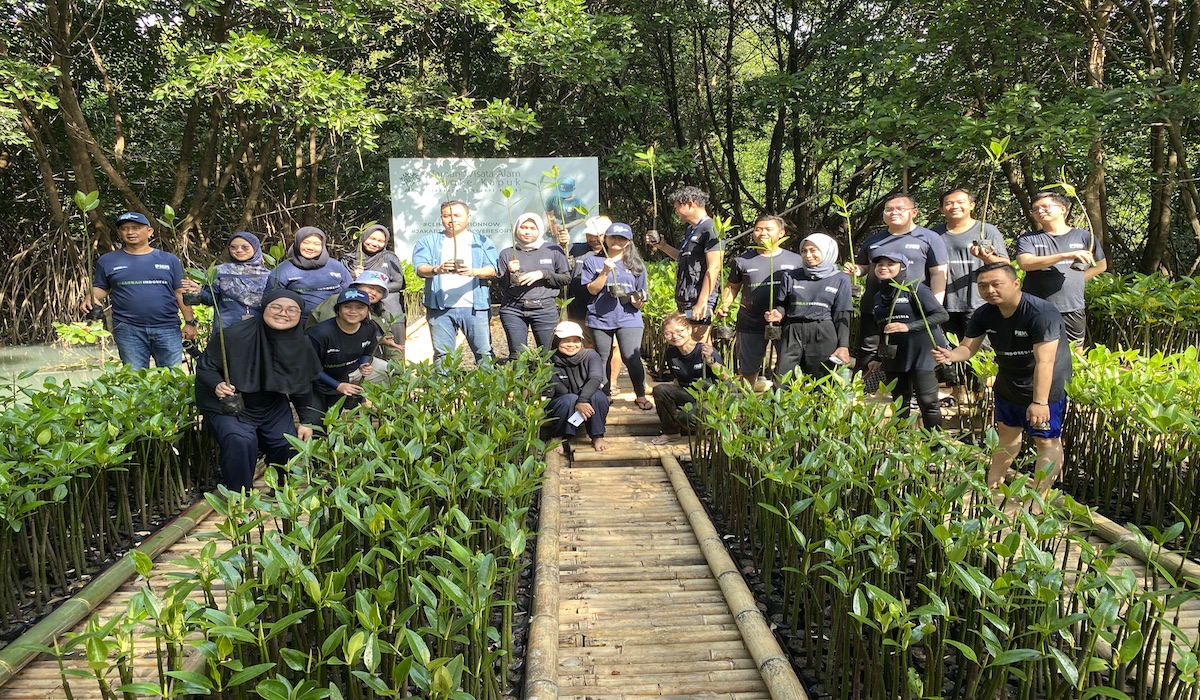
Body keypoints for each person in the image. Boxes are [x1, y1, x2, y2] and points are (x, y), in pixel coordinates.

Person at [933, 262, 1073, 497]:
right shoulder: (985, 313)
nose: (990, 290)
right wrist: (950, 355)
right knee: (1007, 433)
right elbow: (968, 347)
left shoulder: (1040, 313)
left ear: (1016, 283)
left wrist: (1040, 402)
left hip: (1045, 387)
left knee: (1045, 440)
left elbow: (1045, 362)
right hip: (1008, 382)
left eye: (996, 284)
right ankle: (993, 486)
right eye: (983, 286)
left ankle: (1039, 498)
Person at [194, 290, 322, 492]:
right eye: (276, 307)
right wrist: (217, 384)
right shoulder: (233, 335)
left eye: (292, 310)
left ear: (300, 315)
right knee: (241, 441)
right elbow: (206, 367)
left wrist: (306, 421)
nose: (283, 313)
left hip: (269, 402)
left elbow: (302, 384)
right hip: (230, 403)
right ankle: (240, 498)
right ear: (264, 308)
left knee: (284, 441)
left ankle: (282, 491)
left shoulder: (301, 343)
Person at [845, 194, 948, 373]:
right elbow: (864, 267)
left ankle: (909, 396)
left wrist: (935, 303)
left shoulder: (929, 237)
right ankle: (863, 394)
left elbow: (938, 274)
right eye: (889, 209)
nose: (894, 213)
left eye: (900, 209)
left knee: (909, 350)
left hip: (912, 308)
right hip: (875, 305)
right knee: (868, 349)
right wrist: (855, 270)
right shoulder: (873, 240)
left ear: (914, 212)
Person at [82, 211, 197, 368]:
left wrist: (190, 322)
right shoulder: (107, 260)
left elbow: (180, 292)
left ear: (149, 231)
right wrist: (90, 296)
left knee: (172, 379)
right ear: (119, 233)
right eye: (125, 228)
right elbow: (101, 288)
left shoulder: (169, 260)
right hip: (128, 328)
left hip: (167, 327)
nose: (130, 232)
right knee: (135, 381)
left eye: (135, 227)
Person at [931, 188, 1009, 404]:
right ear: (941, 208)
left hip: (978, 301)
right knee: (948, 348)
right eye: (948, 203)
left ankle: (981, 393)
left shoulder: (986, 231)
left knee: (980, 349)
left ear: (972, 205)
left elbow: (1006, 264)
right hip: (944, 302)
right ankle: (957, 392)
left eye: (960, 202)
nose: (954, 206)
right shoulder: (934, 234)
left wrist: (986, 257)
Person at [868, 252, 949, 430]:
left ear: (902, 267)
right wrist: (877, 357)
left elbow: (941, 315)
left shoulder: (915, 288)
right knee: (899, 403)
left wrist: (908, 327)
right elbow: (881, 330)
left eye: (890, 263)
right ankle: (901, 447)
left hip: (922, 352)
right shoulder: (877, 297)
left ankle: (935, 447)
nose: (883, 267)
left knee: (928, 401)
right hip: (895, 355)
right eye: (880, 264)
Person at [718, 214, 802, 385]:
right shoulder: (742, 261)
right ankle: (747, 406)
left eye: (768, 229)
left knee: (788, 369)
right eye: (758, 229)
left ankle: (782, 407)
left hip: (787, 322)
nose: (762, 233)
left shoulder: (797, 260)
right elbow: (733, 286)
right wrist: (724, 305)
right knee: (748, 369)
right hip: (750, 321)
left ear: (781, 233)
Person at [411, 201, 498, 363]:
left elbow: (492, 269)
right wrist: (438, 269)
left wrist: (473, 271)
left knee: (484, 352)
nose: (452, 219)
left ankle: (487, 387)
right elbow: (420, 268)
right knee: (443, 355)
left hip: (474, 307)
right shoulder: (427, 242)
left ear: (468, 217)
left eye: (457, 215)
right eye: (447, 215)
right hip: (439, 308)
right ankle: (444, 388)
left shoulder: (482, 241)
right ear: (441, 218)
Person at [1015, 191, 1107, 344]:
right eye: (1035, 209)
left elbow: (1101, 266)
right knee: (1036, 352)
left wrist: (1077, 279)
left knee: (1075, 353)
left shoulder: (1084, 236)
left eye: (1045, 207)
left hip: (1072, 306)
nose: (1040, 211)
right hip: (1037, 306)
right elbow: (1025, 264)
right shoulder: (1028, 239)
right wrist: (1066, 255)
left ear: (1063, 209)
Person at [581, 222, 653, 410]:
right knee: (601, 357)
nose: (617, 241)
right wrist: (605, 271)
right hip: (600, 317)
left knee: (631, 357)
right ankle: (604, 394)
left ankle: (640, 395)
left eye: (622, 238)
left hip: (629, 317)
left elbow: (643, 291)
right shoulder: (592, 261)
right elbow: (592, 289)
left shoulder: (636, 264)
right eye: (613, 237)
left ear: (628, 242)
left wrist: (639, 300)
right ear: (605, 238)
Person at [766, 233, 853, 381]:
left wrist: (843, 346)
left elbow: (842, 315)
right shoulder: (790, 276)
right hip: (792, 331)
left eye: (814, 250)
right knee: (782, 380)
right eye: (804, 251)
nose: (808, 255)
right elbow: (782, 304)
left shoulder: (840, 279)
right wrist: (778, 313)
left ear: (827, 251)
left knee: (821, 381)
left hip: (823, 332)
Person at [647, 186, 723, 332]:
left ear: (690, 203)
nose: (675, 212)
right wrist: (663, 246)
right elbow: (684, 258)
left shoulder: (712, 228)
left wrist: (702, 301)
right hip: (686, 296)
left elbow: (714, 267)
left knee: (699, 345)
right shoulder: (692, 229)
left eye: (677, 207)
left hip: (699, 298)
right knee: (689, 344)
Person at [496, 213, 571, 357]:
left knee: (548, 355)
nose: (527, 231)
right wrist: (508, 272)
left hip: (545, 309)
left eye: (532, 228)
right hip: (513, 309)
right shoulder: (507, 253)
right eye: (523, 227)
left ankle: (547, 380)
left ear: (540, 230)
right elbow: (502, 285)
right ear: (516, 229)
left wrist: (543, 274)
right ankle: (523, 379)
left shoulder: (553, 250)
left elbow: (566, 279)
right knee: (517, 355)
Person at [305, 270, 403, 377]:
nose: (374, 293)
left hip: (362, 360)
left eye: (379, 291)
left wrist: (396, 364)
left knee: (393, 375)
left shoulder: (377, 311)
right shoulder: (338, 302)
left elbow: (389, 340)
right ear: (356, 286)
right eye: (370, 287)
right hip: (331, 364)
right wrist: (377, 340)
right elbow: (332, 338)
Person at [651, 313, 724, 445]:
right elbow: (677, 381)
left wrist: (710, 361)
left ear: (689, 330)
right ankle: (671, 432)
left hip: (709, 397)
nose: (675, 336)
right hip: (689, 393)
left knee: (686, 417)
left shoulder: (704, 349)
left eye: (679, 331)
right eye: (669, 333)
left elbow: (726, 376)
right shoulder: (671, 353)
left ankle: (709, 429)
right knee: (660, 390)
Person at [306, 289, 380, 418]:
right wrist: (337, 385)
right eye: (347, 307)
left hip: (342, 376)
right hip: (313, 382)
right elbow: (309, 367)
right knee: (315, 423)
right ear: (338, 309)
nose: (353, 311)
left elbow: (367, 351)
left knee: (332, 420)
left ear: (367, 310)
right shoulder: (320, 333)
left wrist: (363, 364)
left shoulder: (369, 328)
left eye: (360, 307)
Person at [181, 232, 272, 328]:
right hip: (226, 329)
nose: (239, 250)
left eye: (245, 247)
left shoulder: (268, 275)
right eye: (233, 247)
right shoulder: (218, 271)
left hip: (259, 327)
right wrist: (199, 291)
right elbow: (211, 300)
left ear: (255, 247)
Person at [265, 226, 351, 327]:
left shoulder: (336, 266)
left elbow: (350, 291)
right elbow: (270, 299)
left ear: (322, 246)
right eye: (305, 242)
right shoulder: (283, 270)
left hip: (334, 322)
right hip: (296, 323)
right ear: (297, 243)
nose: (310, 247)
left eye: (316, 244)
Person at [344, 224, 406, 361]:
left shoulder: (388, 257)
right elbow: (344, 285)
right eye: (372, 238)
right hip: (361, 309)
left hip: (388, 308)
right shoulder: (349, 259)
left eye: (380, 241)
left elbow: (398, 283)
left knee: (395, 349)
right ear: (364, 237)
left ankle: (398, 377)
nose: (375, 243)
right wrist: (355, 277)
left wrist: (376, 289)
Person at [546, 321, 609, 454]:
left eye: (575, 340)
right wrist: (578, 402)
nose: (571, 345)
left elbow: (595, 378)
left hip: (586, 399)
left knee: (598, 396)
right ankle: (557, 437)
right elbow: (558, 388)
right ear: (557, 341)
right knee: (568, 399)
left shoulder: (591, 355)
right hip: (562, 401)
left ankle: (597, 436)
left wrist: (582, 400)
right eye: (566, 341)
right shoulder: (549, 360)